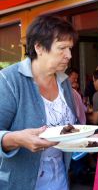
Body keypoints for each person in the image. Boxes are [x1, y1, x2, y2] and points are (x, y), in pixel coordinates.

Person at [0, 15, 78, 189]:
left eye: (70, 48)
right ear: (39, 47)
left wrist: (87, 138)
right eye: (62, 48)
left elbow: (69, 127)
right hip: (20, 182)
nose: (69, 55)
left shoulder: (63, 81)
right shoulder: (9, 80)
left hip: (60, 179)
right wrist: (16, 139)